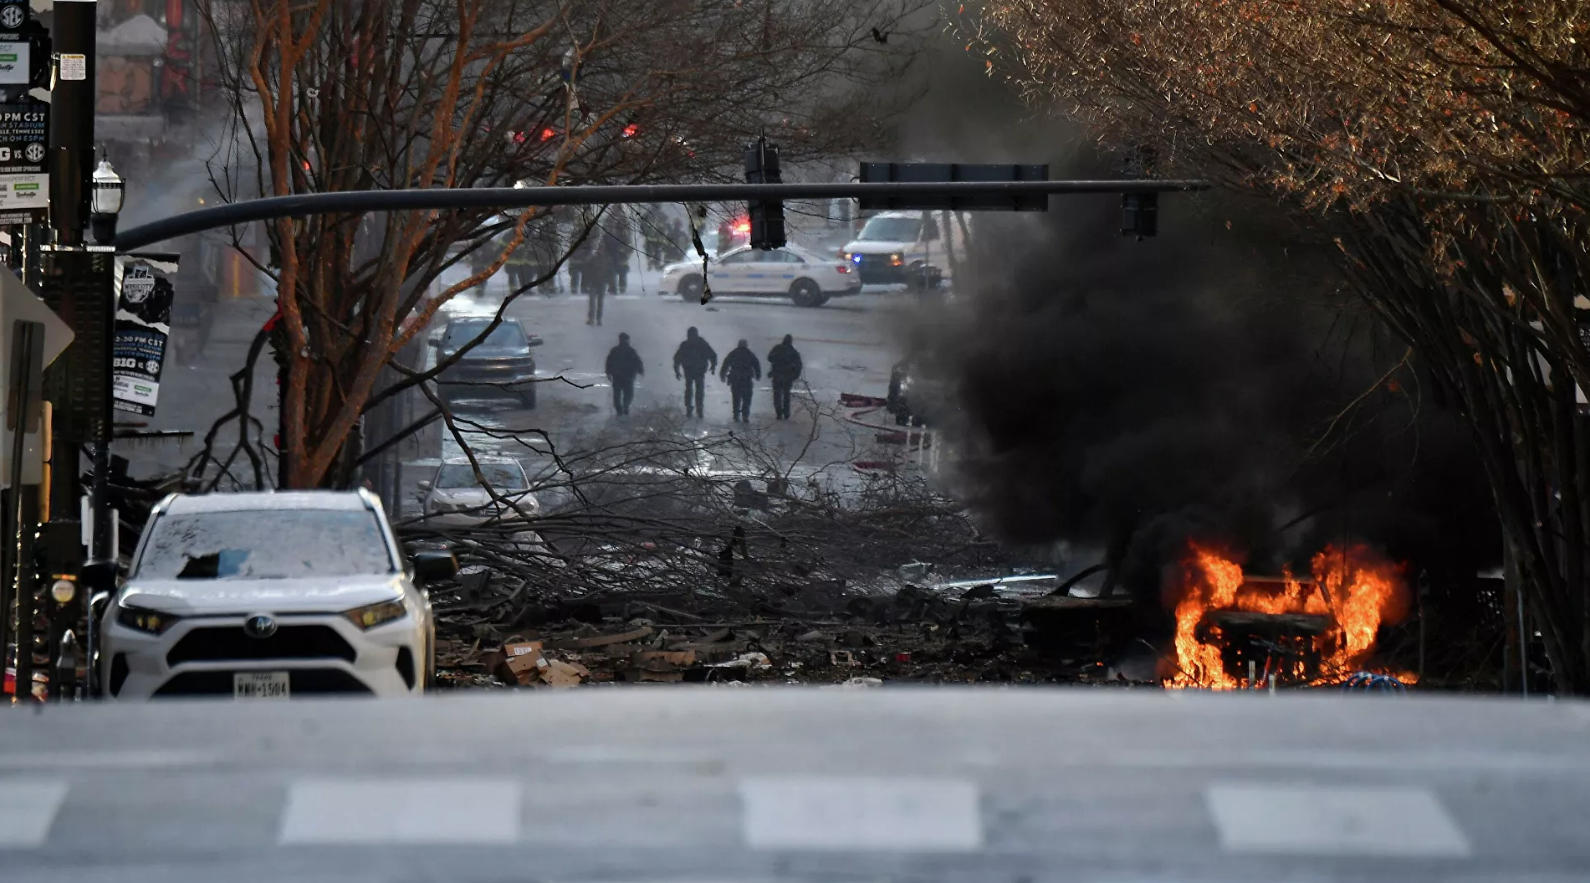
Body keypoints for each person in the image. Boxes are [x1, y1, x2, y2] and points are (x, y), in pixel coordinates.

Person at [672, 326, 718, 418]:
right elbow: (677, 359)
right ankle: (691, 409)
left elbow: (712, 356)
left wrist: (713, 366)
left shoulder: (701, 344)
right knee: (691, 391)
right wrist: (676, 370)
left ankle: (698, 409)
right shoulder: (689, 345)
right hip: (690, 371)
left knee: (697, 391)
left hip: (698, 371)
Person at [719, 338, 762, 423]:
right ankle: (745, 415)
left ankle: (736, 415)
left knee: (736, 398)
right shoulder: (749, 354)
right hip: (746, 379)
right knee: (747, 398)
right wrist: (758, 375)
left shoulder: (733, 353)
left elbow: (726, 364)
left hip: (735, 379)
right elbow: (756, 365)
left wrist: (723, 375)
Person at [604, 332, 644, 416]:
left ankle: (619, 410)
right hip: (628, 377)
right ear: (627, 340)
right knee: (628, 394)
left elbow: (609, 362)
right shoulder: (631, 351)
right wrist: (641, 370)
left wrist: (608, 372)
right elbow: (637, 362)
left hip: (617, 376)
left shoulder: (614, 350)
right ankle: (625, 406)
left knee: (617, 395)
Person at [766, 334, 803, 420]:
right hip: (788, 376)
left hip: (777, 375)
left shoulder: (777, 348)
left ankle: (778, 413)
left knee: (777, 395)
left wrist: (777, 361)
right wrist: (795, 375)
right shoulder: (793, 351)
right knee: (786, 395)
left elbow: (769, 358)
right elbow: (798, 365)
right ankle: (786, 413)